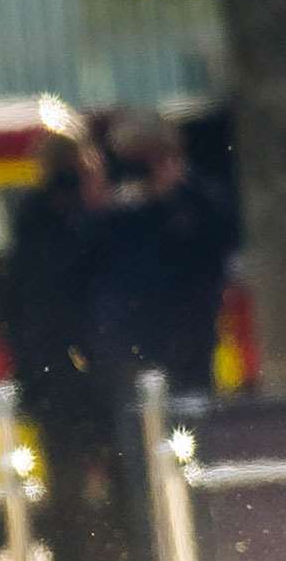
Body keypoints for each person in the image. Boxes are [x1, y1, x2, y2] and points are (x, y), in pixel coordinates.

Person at [3, 131, 118, 561]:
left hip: (60, 377)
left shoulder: (34, 223)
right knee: (98, 490)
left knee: (70, 494)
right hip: (82, 376)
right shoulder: (82, 221)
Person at [84, 117, 236, 404]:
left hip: (188, 337)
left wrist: (171, 196)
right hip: (127, 342)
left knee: (190, 424)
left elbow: (216, 250)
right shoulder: (110, 213)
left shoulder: (198, 204)